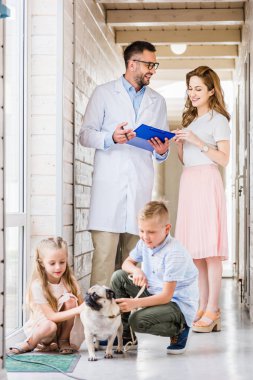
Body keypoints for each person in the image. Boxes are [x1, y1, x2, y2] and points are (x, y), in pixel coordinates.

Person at [79, 41, 170, 287]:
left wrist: (162, 152)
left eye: (154, 65)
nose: (152, 70)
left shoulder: (157, 101)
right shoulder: (104, 93)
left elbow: (159, 145)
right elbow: (85, 134)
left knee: (135, 267)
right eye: (149, 64)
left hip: (140, 188)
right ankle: (99, 325)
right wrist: (111, 138)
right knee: (104, 264)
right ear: (132, 64)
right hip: (109, 190)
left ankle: (129, 323)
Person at [174, 66, 230, 333]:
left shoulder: (218, 120)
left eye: (198, 88)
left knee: (210, 252)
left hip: (208, 182)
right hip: (190, 182)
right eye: (190, 88)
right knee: (196, 254)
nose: (193, 93)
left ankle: (213, 309)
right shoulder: (191, 121)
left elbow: (223, 159)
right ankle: (203, 306)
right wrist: (180, 146)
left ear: (211, 91)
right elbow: (187, 161)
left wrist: (197, 141)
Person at [111, 201, 198, 355]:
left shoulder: (174, 253)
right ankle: (125, 335)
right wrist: (136, 271)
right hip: (154, 292)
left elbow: (166, 296)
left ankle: (180, 328)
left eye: (151, 232)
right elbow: (127, 263)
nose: (145, 237)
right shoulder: (144, 242)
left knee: (137, 320)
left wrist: (135, 303)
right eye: (141, 230)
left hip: (176, 304)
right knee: (119, 277)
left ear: (167, 229)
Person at [8, 237, 85, 355]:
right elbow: (51, 317)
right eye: (52, 263)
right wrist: (78, 309)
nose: (58, 267)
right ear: (42, 263)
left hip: (62, 329)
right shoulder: (38, 285)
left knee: (71, 301)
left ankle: (63, 340)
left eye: (62, 262)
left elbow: (82, 305)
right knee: (50, 325)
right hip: (44, 328)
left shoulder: (70, 281)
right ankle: (31, 342)